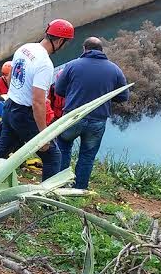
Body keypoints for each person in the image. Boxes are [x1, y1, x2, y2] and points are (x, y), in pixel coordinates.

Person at [0, 19, 75, 178]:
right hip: (25, 114)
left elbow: (11, 76)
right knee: (52, 156)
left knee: (1, 148)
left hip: (10, 106)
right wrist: (43, 135)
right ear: (60, 41)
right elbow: (38, 102)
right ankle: (46, 200)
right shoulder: (45, 64)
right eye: (65, 43)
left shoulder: (25, 48)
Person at [54, 37, 129, 190]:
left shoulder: (72, 65)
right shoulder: (114, 69)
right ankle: (79, 189)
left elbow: (58, 90)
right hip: (97, 120)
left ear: (84, 49)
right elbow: (123, 97)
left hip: (72, 117)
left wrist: (74, 93)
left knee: (63, 147)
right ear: (102, 50)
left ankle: (59, 185)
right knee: (87, 156)